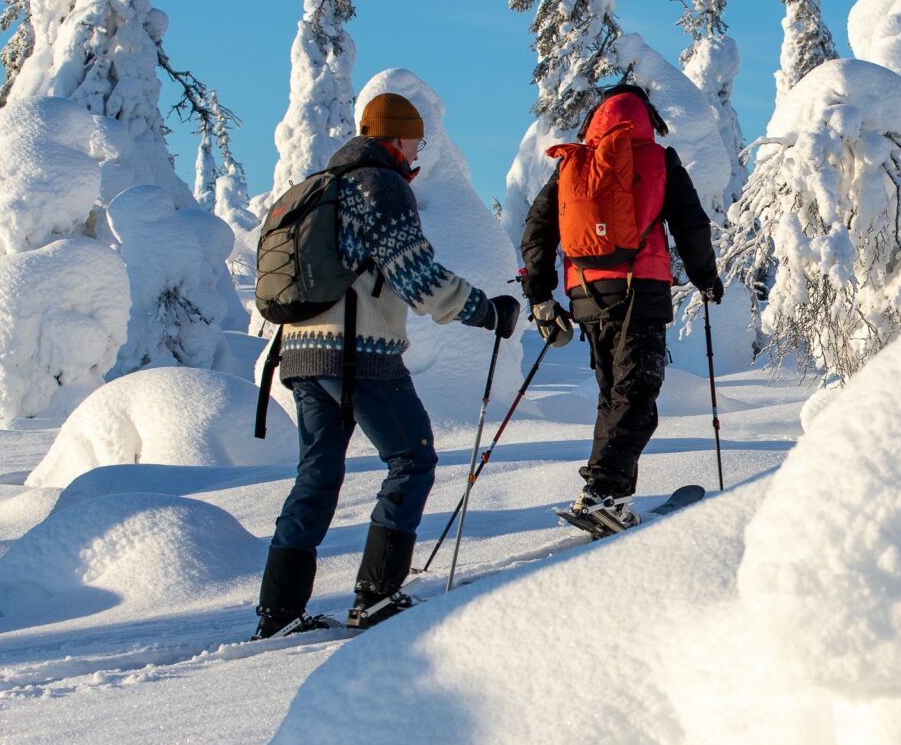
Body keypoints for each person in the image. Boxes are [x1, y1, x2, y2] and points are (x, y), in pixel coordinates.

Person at [253, 92, 520, 639]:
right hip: (360, 353)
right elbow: (418, 278)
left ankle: (278, 611)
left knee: (317, 473)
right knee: (413, 459)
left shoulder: (314, 187)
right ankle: (376, 596)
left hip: (301, 352)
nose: (420, 151)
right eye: (417, 140)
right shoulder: (381, 184)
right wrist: (486, 311)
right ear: (396, 138)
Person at [520, 83, 721, 531]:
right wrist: (705, 275)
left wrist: (539, 292)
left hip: (586, 294)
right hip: (641, 289)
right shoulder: (659, 159)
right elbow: (692, 224)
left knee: (614, 394)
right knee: (637, 393)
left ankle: (601, 493)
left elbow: (537, 227)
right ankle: (603, 493)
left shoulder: (573, 162)